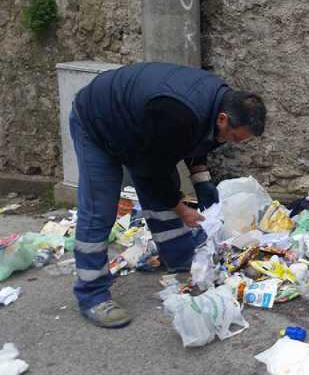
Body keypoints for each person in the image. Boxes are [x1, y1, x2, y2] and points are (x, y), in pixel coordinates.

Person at [70, 62, 266, 327]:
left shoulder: (218, 101)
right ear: (223, 119)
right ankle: (92, 295)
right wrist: (182, 209)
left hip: (139, 133)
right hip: (98, 123)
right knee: (100, 208)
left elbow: (194, 141)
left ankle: (178, 256)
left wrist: (202, 182)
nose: (234, 143)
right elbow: (155, 169)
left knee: (162, 189)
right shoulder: (179, 112)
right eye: (234, 137)